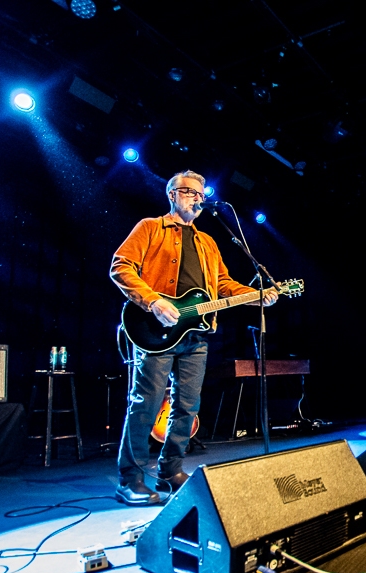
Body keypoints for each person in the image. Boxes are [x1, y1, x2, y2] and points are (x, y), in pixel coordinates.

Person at [110, 170, 278, 505]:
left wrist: (255, 294)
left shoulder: (208, 242)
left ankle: (170, 470)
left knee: (187, 406)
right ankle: (130, 479)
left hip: (196, 334)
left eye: (200, 193)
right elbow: (121, 266)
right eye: (189, 192)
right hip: (155, 329)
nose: (197, 198)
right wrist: (154, 301)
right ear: (172, 195)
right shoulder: (150, 228)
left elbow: (223, 285)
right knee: (146, 404)